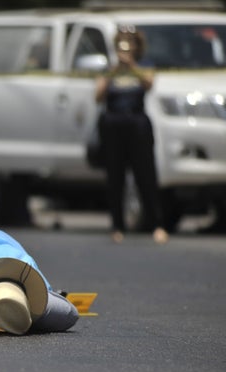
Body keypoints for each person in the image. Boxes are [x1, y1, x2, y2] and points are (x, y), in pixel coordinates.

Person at [95, 25, 169, 245]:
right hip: (113, 123)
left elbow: (148, 84)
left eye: (130, 43)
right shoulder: (110, 68)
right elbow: (98, 96)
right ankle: (117, 225)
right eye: (121, 43)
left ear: (137, 46)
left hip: (137, 123)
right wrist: (115, 70)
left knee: (146, 176)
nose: (125, 48)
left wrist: (132, 66)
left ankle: (157, 224)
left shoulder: (143, 66)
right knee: (115, 177)